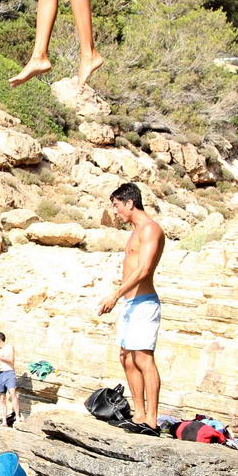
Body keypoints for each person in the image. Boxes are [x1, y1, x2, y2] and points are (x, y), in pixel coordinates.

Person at [98, 182, 165, 429]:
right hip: (129, 303)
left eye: (117, 206)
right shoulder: (135, 231)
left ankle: (152, 420)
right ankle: (139, 414)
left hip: (144, 303)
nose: (115, 212)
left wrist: (115, 295)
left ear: (130, 203)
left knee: (143, 359)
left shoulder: (151, 229)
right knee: (126, 358)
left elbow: (144, 269)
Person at [0, 332, 18, 426]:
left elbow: (11, 360)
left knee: (13, 394)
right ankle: (4, 421)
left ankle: (18, 417)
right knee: (2, 398)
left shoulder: (9, 347)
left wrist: (0, 358)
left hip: (9, 372)